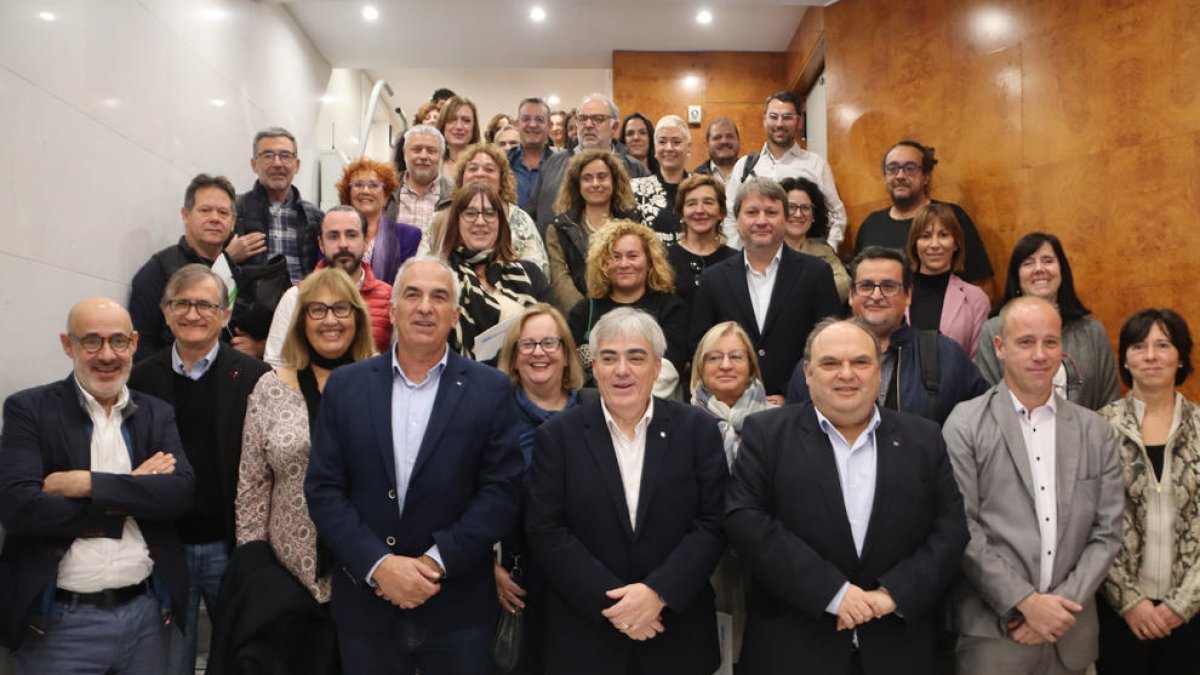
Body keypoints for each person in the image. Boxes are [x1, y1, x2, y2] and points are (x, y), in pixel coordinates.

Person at [304, 256, 524, 674]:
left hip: (458, 611)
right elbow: (324, 490)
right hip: (368, 609)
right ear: (392, 309)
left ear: (455, 314)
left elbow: (502, 492)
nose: (425, 307)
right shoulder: (346, 387)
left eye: (439, 297)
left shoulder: (490, 389)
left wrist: (434, 563)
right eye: (413, 294)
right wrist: (378, 565)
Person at [726, 317, 968, 675]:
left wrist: (892, 595)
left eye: (860, 362)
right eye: (830, 363)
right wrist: (834, 594)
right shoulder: (766, 434)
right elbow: (746, 522)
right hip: (793, 650)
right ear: (807, 372)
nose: (846, 374)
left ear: (878, 371)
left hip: (898, 647)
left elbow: (949, 531)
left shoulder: (924, 439)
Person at [525, 308, 729, 675]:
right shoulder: (558, 437)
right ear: (595, 367)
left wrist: (658, 594)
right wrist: (619, 607)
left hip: (675, 634)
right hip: (586, 639)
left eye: (636, 357)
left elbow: (713, 524)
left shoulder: (697, 431)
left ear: (657, 367)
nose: (622, 370)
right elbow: (546, 530)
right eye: (609, 357)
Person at [0, 297, 194, 673]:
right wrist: (133, 492)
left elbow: (180, 494)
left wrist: (85, 483)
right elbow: (19, 507)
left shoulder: (157, 413)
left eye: (118, 341)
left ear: (134, 343)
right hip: (59, 626)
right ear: (67, 344)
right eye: (92, 341)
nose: (107, 354)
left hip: (147, 619)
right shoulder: (29, 410)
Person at [943, 296, 1124, 675]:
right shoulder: (965, 423)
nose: (1040, 354)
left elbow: (1107, 533)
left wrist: (1058, 608)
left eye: (1050, 342)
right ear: (1000, 347)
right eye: (1026, 342)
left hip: (1071, 634)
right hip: (993, 635)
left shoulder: (1097, 431)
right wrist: (1024, 602)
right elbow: (962, 528)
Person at [220, 268, 376, 673]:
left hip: (365, 578)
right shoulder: (270, 387)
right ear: (301, 320)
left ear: (357, 318)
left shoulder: (382, 387)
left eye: (341, 308)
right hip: (285, 580)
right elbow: (252, 484)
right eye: (317, 309)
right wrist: (255, 564)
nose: (330, 319)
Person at [126, 264, 271, 675]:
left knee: (238, 658)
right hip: (164, 545)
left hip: (229, 545)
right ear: (165, 312)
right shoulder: (139, 380)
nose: (193, 314)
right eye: (182, 304)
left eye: (205, 305)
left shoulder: (256, 378)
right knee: (171, 662)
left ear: (225, 315)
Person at [1096, 308, 1200, 673]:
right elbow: (1088, 523)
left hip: (1192, 614)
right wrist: (1129, 602)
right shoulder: (1098, 428)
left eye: (1163, 345)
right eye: (1139, 346)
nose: (1151, 356)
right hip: (1118, 613)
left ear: (1182, 356)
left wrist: (1181, 605)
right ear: (1124, 359)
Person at [493, 304, 594, 675]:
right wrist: (489, 567)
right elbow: (468, 492)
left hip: (586, 578)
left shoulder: (594, 412)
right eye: (528, 344)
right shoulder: (494, 416)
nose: (539, 353)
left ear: (567, 355)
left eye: (550, 343)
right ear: (514, 357)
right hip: (519, 580)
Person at [787, 247, 989, 424]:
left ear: (908, 295)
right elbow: (796, 430)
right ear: (851, 295)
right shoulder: (819, 359)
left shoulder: (945, 356)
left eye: (888, 287)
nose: (876, 296)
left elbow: (982, 421)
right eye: (866, 286)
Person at [691, 177, 840, 401]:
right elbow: (701, 347)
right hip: (729, 408)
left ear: (786, 218)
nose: (762, 221)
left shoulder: (816, 273)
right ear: (737, 220)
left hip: (797, 409)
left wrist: (790, 394)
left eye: (771, 212)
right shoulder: (713, 278)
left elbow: (828, 344)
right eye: (752, 213)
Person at [689, 320, 774, 666]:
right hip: (702, 567)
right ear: (699, 367)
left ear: (752, 366)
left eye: (736, 357)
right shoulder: (677, 424)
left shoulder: (778, 423)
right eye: (714, 357)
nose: (725, 365)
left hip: (766, 568)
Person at [974, 232, 1120, 410]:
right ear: (1017, 276)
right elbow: (988, 400)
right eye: (1028, 263)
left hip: (1086, 436)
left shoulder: (1092, 332)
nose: (1039, 269)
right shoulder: (994, 330)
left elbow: (1110, 404)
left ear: (1062, 271)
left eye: (1048, 261)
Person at [130, 173, 260, 362]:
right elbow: (140, 344)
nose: (215, 218)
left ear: (233, 221)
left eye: (223, 213)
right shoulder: (159, 270)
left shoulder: (238, 276)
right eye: (205, 210)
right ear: (186, 215)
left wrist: (256, 348)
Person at [853, 139, 996, 299]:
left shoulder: (951, 216)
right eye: (892, 169)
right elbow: (858, 284)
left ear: (926, 177)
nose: (900, 175)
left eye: (910, 168)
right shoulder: (871, 224)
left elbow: (982, 283)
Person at [568, 219, 688, 395]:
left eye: (632, 256)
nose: (624, 264)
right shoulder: (583, 312)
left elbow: (668, 370)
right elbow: (572, 373)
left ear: (649, 262)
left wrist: (624, 401)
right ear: (603, 264)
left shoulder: (671, 309)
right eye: (615, 257)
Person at [265, 206, 394, 366]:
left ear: (366, 241)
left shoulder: (391, 298)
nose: (343, 244)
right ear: (321, 244)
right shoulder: (296, 296)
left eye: (351, 235)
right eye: (333, 236)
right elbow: (276, 364)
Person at [722, 92, 847, 248]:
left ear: (799, 122)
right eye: (773, 116)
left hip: (801, 262)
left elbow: (836, 214)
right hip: (754, 258)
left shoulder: (815, 164)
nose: (779, 124)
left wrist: (826, 250)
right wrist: (736, 254)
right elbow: (730, 216)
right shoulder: (744, 166)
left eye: (787, 117)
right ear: (764, 120)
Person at [438, 182, 549, 359]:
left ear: (501, 223)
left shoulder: (530, 274)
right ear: (456, 221)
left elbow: (552, 334)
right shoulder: (440, 278)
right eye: (470, 213)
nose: (480, 222)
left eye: (489, 214)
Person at [529, 93, 651, 236]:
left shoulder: (636, 170)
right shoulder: (552, 164)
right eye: (582, 119)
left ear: (614, 127)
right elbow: (532, 215)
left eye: (597, 119)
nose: (588, 125)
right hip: (554, 255)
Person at [423, 142, 548, 272]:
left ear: (502, 179)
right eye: (472, 168)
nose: (480, 174)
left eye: (489, 169)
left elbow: (538, 272)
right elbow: (421, 269)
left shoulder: (521, 220)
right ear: (462, 178)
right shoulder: (439, 220)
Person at [544, 149, 640, 314]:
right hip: (580, 321)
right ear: (578, 185)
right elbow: (560, 281)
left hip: (629, 316)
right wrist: (588, 317)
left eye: (602, 177)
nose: (595, 184)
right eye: (587, 178)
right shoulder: (559, 229)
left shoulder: (634, 224)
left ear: (614, 181)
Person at [229, 127, 324, 283]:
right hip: (251, 306)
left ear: (297, 165)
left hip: (302, 304)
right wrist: (229, 257)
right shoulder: (234, 210)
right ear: (254, 164)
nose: (277, 163)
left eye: (285, 155)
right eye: (268, 155)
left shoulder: (315, 217)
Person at [905, 202, 991, 357]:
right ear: (914, 244)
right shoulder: (896, 294)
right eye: (925, 236)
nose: (934, 245)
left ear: (956, 243)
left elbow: (978, 363)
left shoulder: (975, 299)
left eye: (943, 235)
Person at [336, 157, 421, 292]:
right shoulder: (333, 234)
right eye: (358, 185)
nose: (365, 191)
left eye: (374, 185)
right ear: (347, 195)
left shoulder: (409, 236)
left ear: (386, 197)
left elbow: (407, 285)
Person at [666, 174, 737, 313]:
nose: (700, 210)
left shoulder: (736, 261)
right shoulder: (663, 260)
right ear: (681, 213)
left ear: (721, 212)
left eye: (708, 202)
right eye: (691, 204)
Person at [780, 176, 850, 303]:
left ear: (813, 214)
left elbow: (843, 286)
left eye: (805, 207)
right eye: (791, 206)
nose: (798, 214)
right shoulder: (766, 250)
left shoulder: (824, 251)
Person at [385, 124, 456, 238]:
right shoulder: (386, 191)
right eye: (416, 150)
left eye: (431, 151)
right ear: (404, 153)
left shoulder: (455, 196)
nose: (423, 156)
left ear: (441, 155)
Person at [631, 114, 691, 246]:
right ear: (655, 148)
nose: (669, 148)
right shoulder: (635, 189)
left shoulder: (702, 188)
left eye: (676, 142)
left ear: (689, 147)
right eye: (662, 142)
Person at [509, 97, 559, 213]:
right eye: (526, 119)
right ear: (517, 124)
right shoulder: (503, 163)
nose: (532, 124)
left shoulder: (562, 165)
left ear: (549, 125)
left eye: (540, 120)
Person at [435, 95, 481, 180]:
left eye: (466, 120)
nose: (459, 126)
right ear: (443, 125)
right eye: (452, 119)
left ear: (474, 127)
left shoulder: (483, 166)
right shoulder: (434, 165)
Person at [692, 118, 741, 184]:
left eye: (729, 136)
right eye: (717, 137)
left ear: (738, 141)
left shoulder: (753, 173)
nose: (724, 141)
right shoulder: (695, 178)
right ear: (707, 144)